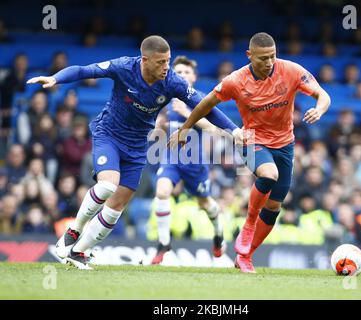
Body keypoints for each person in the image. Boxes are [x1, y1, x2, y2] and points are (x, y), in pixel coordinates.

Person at [27, 35, 239, 269]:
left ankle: (78, 252)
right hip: (109, 134)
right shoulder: (124, 67)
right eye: (160, 62)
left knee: (118, 204)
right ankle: (73, 232)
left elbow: (205, 105)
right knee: (108, 185)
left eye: (168, 61)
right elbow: (84, 71)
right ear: (144, 60)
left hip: (137, 145)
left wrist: (234, 129)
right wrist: (55, 78)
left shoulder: (172, 82)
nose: (166, 67)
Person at [169, 32, 331, 273]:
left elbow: (322, 94)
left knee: (275, 206)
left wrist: (319, 109)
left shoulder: (291, 70)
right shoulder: (236, 80)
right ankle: (249, 224)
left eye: (272, 57)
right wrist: (185, 128)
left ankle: (245, 256)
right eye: (263, 58)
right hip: (251, 139)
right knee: (269, 174)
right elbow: (206, 103)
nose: (269, 63)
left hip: (285, 144)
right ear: (249, 56)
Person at [152, 56, 226, 264]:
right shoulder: (166, 100)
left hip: (195, 162)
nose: (183, 76)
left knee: (205, 203)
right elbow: (159, 129)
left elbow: (213, 129)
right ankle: (163, 243)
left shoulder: (201, 100)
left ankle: (219, 233)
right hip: (172, 158)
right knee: (162, 191)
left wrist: (187, 113)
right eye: (179, 73)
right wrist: (160, 126)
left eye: (187, 72)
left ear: (194, 77)